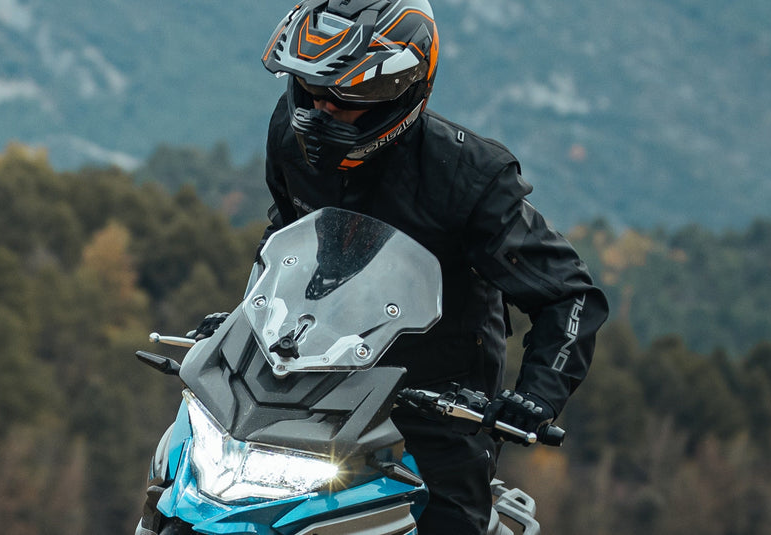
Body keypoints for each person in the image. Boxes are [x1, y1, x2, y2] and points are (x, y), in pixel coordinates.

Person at [196, 0, 611, 532]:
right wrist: (243, 321)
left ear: (397, 95)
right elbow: (285, 236)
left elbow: (569, 295)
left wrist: (535, 397)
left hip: (436, 405)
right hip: (312, 388)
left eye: (341, 99)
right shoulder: (291, 134)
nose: (318, 113)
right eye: (309, 92)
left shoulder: (469, 177)